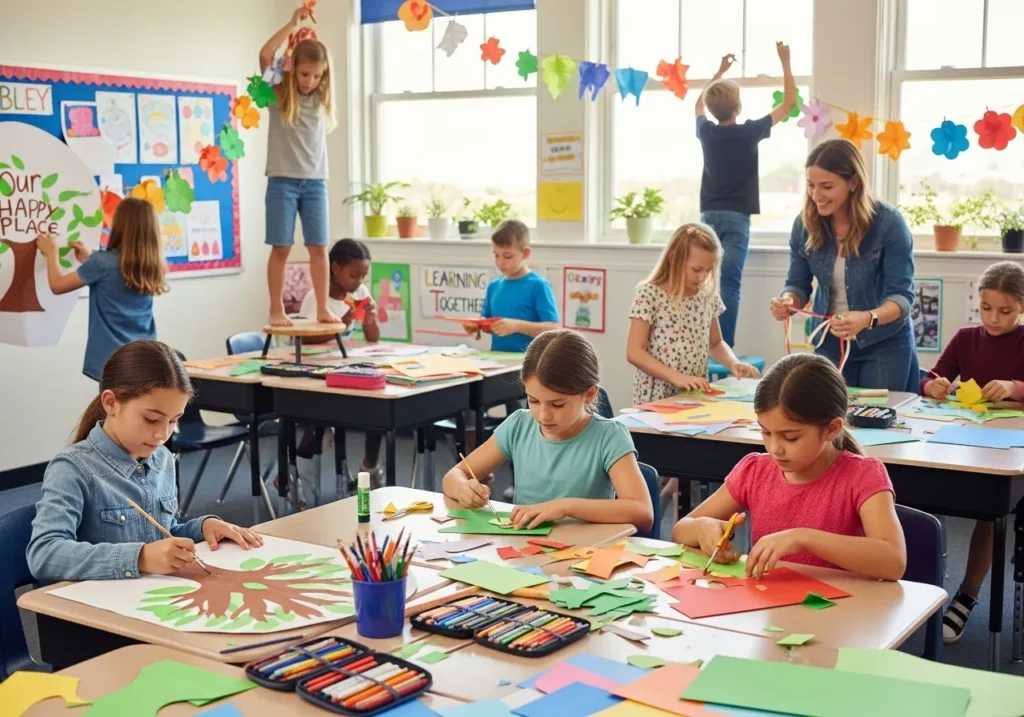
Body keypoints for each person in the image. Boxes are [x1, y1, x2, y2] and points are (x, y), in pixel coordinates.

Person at [27, 341, 262, 583]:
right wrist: (139, 558)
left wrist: (202, 528)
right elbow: (44, 554)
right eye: (151, 419)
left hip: (150, 599)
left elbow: (162, 531)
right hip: (103, 608)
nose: (162, 435)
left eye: (173, 421)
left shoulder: (161, 458)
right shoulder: (73, 468)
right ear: (110, 403)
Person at [671, 353, 906, 580]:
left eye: (791, 437)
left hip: (841, 613)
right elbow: (681, 529)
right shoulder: (754, 471)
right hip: (772, 612)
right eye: (766, 432)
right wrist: (702, 528)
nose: (775, 448)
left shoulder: (863, 475)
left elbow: (893, 561)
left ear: (832, 429)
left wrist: (804, 539)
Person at [442, 329, 654, 533]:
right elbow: (454, 475)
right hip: (526, 554)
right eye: (533, 401)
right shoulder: (518, 425)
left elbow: (643, 513)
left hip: (585, 556)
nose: (543, 415)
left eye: (558, 404)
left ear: (589, 394)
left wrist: (566, 507)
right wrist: (464, 489)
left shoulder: (609, 436)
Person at [922, 261, 1024, 644]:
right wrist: (934, 386)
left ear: (1021, 308)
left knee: (988, 508)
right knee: (923, 491)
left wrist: (1014, 388)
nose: (994, 319)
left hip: (1010, 452)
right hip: (964, 440)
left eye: (1005, 311)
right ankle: (915, 591)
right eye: (986, 308)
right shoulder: (966, 338)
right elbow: (931, 377)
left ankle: (967, 595)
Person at [769, 138, 919, 391]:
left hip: (884, 342)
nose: (816, 195)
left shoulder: (889, 224)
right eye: (810, 185)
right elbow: (797, 284)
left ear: (853, 182)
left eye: (826, 186)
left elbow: (902, 298)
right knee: (827, 420)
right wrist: (787, 302)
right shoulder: (804, 224)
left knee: (881, 423)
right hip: (828, 342)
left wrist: (867, 318)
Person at [695, 42, 797, 348]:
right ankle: (724, 348)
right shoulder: (749, 131)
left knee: (703, 283)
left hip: (708, 217)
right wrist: (785, 61)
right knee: (729, 284)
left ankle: (704, 343)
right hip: (737, 218)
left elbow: (698, 106)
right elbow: (789, 103)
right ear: (738, 108)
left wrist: (718, 73)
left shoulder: (707, 132)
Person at [260, 4, 340, 328]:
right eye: (305, 74)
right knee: (281, 247)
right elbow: (266, 56)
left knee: (319, 248)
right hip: (282, 181)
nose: (310, 81)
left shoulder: (321, 99)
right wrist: (291, 27)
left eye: (317, 75)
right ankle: (276, 308)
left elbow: (322, 75)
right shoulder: (278, 94)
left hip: (316, 182)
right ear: (293, 68)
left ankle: (322, 306)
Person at [626, 223, 760, 406]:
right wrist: (676, 377)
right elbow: (634, 352)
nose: (703, 276)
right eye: (697, 270)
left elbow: (716, 343)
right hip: (656, 399)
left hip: (694, 396)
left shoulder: (707, 296)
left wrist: (733, 363)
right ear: (674, 259)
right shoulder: (649, 294)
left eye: (709, 270)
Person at [36, 197, 166, 381]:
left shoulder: (102, 264)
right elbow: (115, 275)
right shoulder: (150, 266)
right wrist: (90, 258)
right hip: (144, 359)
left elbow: (57, 285)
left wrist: (51, 253)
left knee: (113, 408)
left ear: (120, 226)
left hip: (115, 363)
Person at [296, 239, 384, 487]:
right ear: (335, 268)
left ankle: (370, 467)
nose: (359, 282)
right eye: (354, 275)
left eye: (363, 276)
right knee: (321, 419)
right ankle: (297, 478)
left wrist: (368, 318)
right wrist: (344, 320)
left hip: (347, 368)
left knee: (378, 406)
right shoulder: (317, 298)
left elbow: (373, 338)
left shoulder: (360, 293)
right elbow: (308, 340)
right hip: (316, 373)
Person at [472, 219, 560, 353]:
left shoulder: (538, 286)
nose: (500, 262)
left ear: (525, 254)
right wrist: (477, 326)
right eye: (496, 255)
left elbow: (554, 329)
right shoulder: (494, 286)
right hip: (498, 361)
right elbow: (491, 325)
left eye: (507, 256)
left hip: (528, 365)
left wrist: (517, 326)